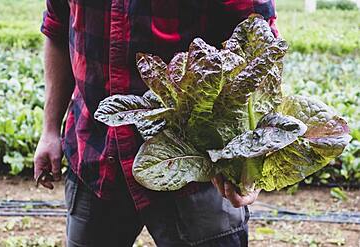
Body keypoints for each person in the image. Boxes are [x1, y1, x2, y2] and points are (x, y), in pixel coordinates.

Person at [34, 1, 278, 246]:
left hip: (196, 165)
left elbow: (259, 42)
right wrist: (50, 129)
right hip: (96, 154)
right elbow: (59, 26)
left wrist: (249, 163)